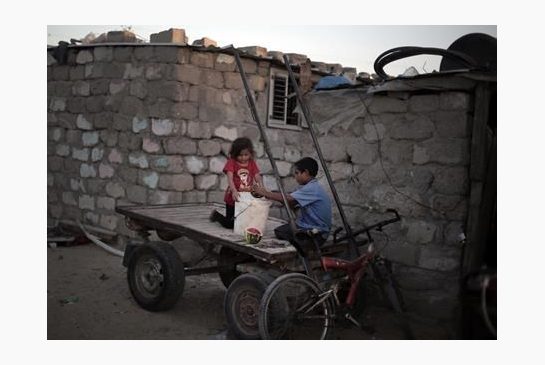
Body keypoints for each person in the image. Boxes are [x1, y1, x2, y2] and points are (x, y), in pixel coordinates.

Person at [251, 157, 332, 247]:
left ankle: (304, 239)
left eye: (297, 173)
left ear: (306, 172)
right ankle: (302, 237)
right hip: (312, 227)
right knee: (284, 229)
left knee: (280, 231)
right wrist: (277, 198)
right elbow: (291, 202)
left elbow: (288, 198)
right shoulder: (312, 187)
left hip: (318, 233)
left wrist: (265, 193)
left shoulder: (312, 188)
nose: (295, 176)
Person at [210, 137, 262, 229]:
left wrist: (261, 187)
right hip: (232, 197)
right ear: (234, 154)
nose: (243, 158)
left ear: (250, 153)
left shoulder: (251, 163)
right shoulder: (232, 162)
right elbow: (230, 178)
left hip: (245, 197)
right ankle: (216, 215)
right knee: (230, 224)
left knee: (243, 221)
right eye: (240, 155)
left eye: (246, 155)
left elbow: (257, 175)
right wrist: (234, 191)